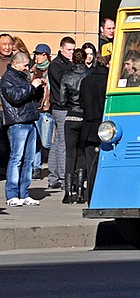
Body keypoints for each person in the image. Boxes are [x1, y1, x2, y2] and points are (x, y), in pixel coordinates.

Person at [1, 52, 45, 206]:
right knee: (16, 158)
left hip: (30, 120)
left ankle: (24, 193)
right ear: (15, 64)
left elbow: (31, 98)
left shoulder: (22, 77)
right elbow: (15, 97)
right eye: (25, 65)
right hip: (17, 122)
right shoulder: (7, 79)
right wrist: (32, 86)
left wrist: (38, 88)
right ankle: (12, 194)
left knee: (29, 159)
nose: (27, 68)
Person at [60, 48, 90, 203]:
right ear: (85, 59)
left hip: (71, 116)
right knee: (82, 154)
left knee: (70, 154)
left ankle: (67, 193)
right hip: (85, 117)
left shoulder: (67, 76)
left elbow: (61, 101)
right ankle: (79, 191)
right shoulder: (89, 75)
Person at [80, 55, 109, 202]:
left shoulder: (86, 80)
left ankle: (90, 197)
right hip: (106, 129)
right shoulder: (109, 82)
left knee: (91, 166)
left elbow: (82, 103)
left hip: (89, 127)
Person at [48, 36, 75, 190]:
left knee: (58, 141)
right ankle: (63, 177)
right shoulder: (56, 65)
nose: (71, 53)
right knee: (63, 142)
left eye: (73, 49)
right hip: (60, 107)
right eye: (69, 50)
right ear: (61, 49)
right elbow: (63, 81)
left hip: (63, 106)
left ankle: (53, 176)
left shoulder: (66, 64)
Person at [31, 44, 54, 181]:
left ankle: (53, 167)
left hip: (46, 110)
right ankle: (36, 168)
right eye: (36, 54)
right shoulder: (33, 70)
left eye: (40, 54)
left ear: (46, 55)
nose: (37, 57)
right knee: (36, 141)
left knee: (47, 142)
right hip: (34, 109)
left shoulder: (51, 70)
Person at [0, 33, 13, 180]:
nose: (7, 47)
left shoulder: (15, 62)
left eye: (9, 43)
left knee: (11, 142)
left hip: (12, 109)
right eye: (4, 44)